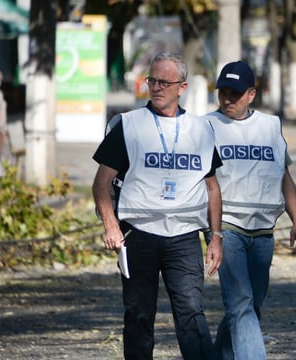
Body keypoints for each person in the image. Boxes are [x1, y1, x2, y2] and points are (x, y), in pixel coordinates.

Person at [92, 51, 223, 360]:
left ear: (183, 87)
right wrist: (110, 225)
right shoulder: (128, 125)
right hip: (139, 234)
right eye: (152, 80)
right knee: (138, 317)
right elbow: (101, 183)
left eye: (165, 82)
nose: (157, 87)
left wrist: (216, 236)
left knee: (192, 314)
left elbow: (212, 187)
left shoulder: (201, 129)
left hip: (185, 235)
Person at [204, 60, 296, 360]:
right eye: (223, 92)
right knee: (241, 305)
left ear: (251, 94)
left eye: (235, 94)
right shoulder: (206, 126)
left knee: (250, 307)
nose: (228, 100)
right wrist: (213, 234)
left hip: (263, 233)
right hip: (228, 230)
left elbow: (283, 176)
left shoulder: (270, 126)